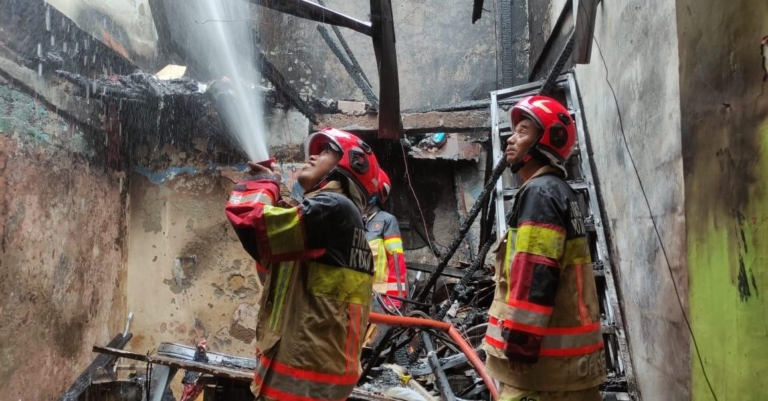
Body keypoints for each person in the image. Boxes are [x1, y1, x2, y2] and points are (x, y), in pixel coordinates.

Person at [225, 127, 380, 401]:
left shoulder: (336, 208)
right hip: (310, 382)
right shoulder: (341, 220)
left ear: (352, 165)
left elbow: (254, 229)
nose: (311, 157)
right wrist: (280, 195)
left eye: (326, 152)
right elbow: (270, 266)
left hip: (299, 385)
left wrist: (264, 183)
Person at [483, 95, 606, 400]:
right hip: (567, 370)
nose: (510, 139)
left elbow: (535, 271)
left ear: (548, 141)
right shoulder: (558, 192)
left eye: (522, 132)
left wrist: (519, 345)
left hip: (541, 375)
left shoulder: (540, 194)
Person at [365, 169, 408, 310]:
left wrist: (394, 301)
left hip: (379, 299)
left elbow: (396, 262)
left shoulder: (386, 221)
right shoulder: (352, 218)